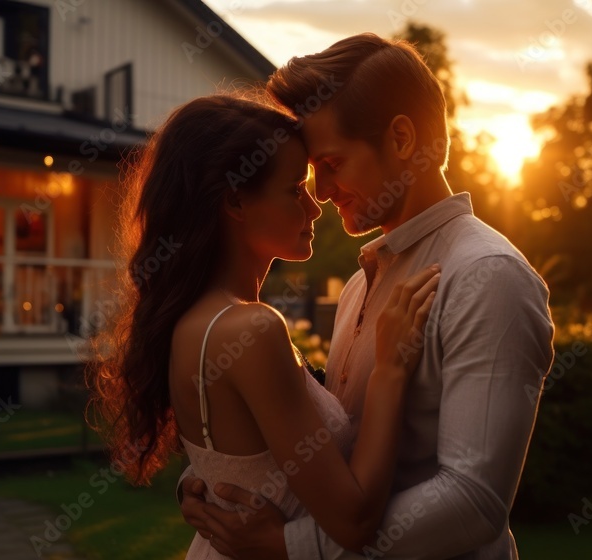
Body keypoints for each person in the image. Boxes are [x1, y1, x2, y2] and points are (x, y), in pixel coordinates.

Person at [178, 33, 556, 560]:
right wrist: (220, 482)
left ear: (402, 139)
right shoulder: (361, 283)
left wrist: (290, 547)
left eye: (331, 164)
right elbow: (332, 453)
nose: (323, 192)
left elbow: (474, 502)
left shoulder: (487, 276)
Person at [87, 93, 443, 559]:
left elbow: (240, 457)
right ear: (235, 200)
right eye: (295, 188)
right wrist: (391, 371)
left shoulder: (193, 319)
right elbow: (354, 521)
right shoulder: (250, 329)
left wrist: (201, 485)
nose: (316, 207)